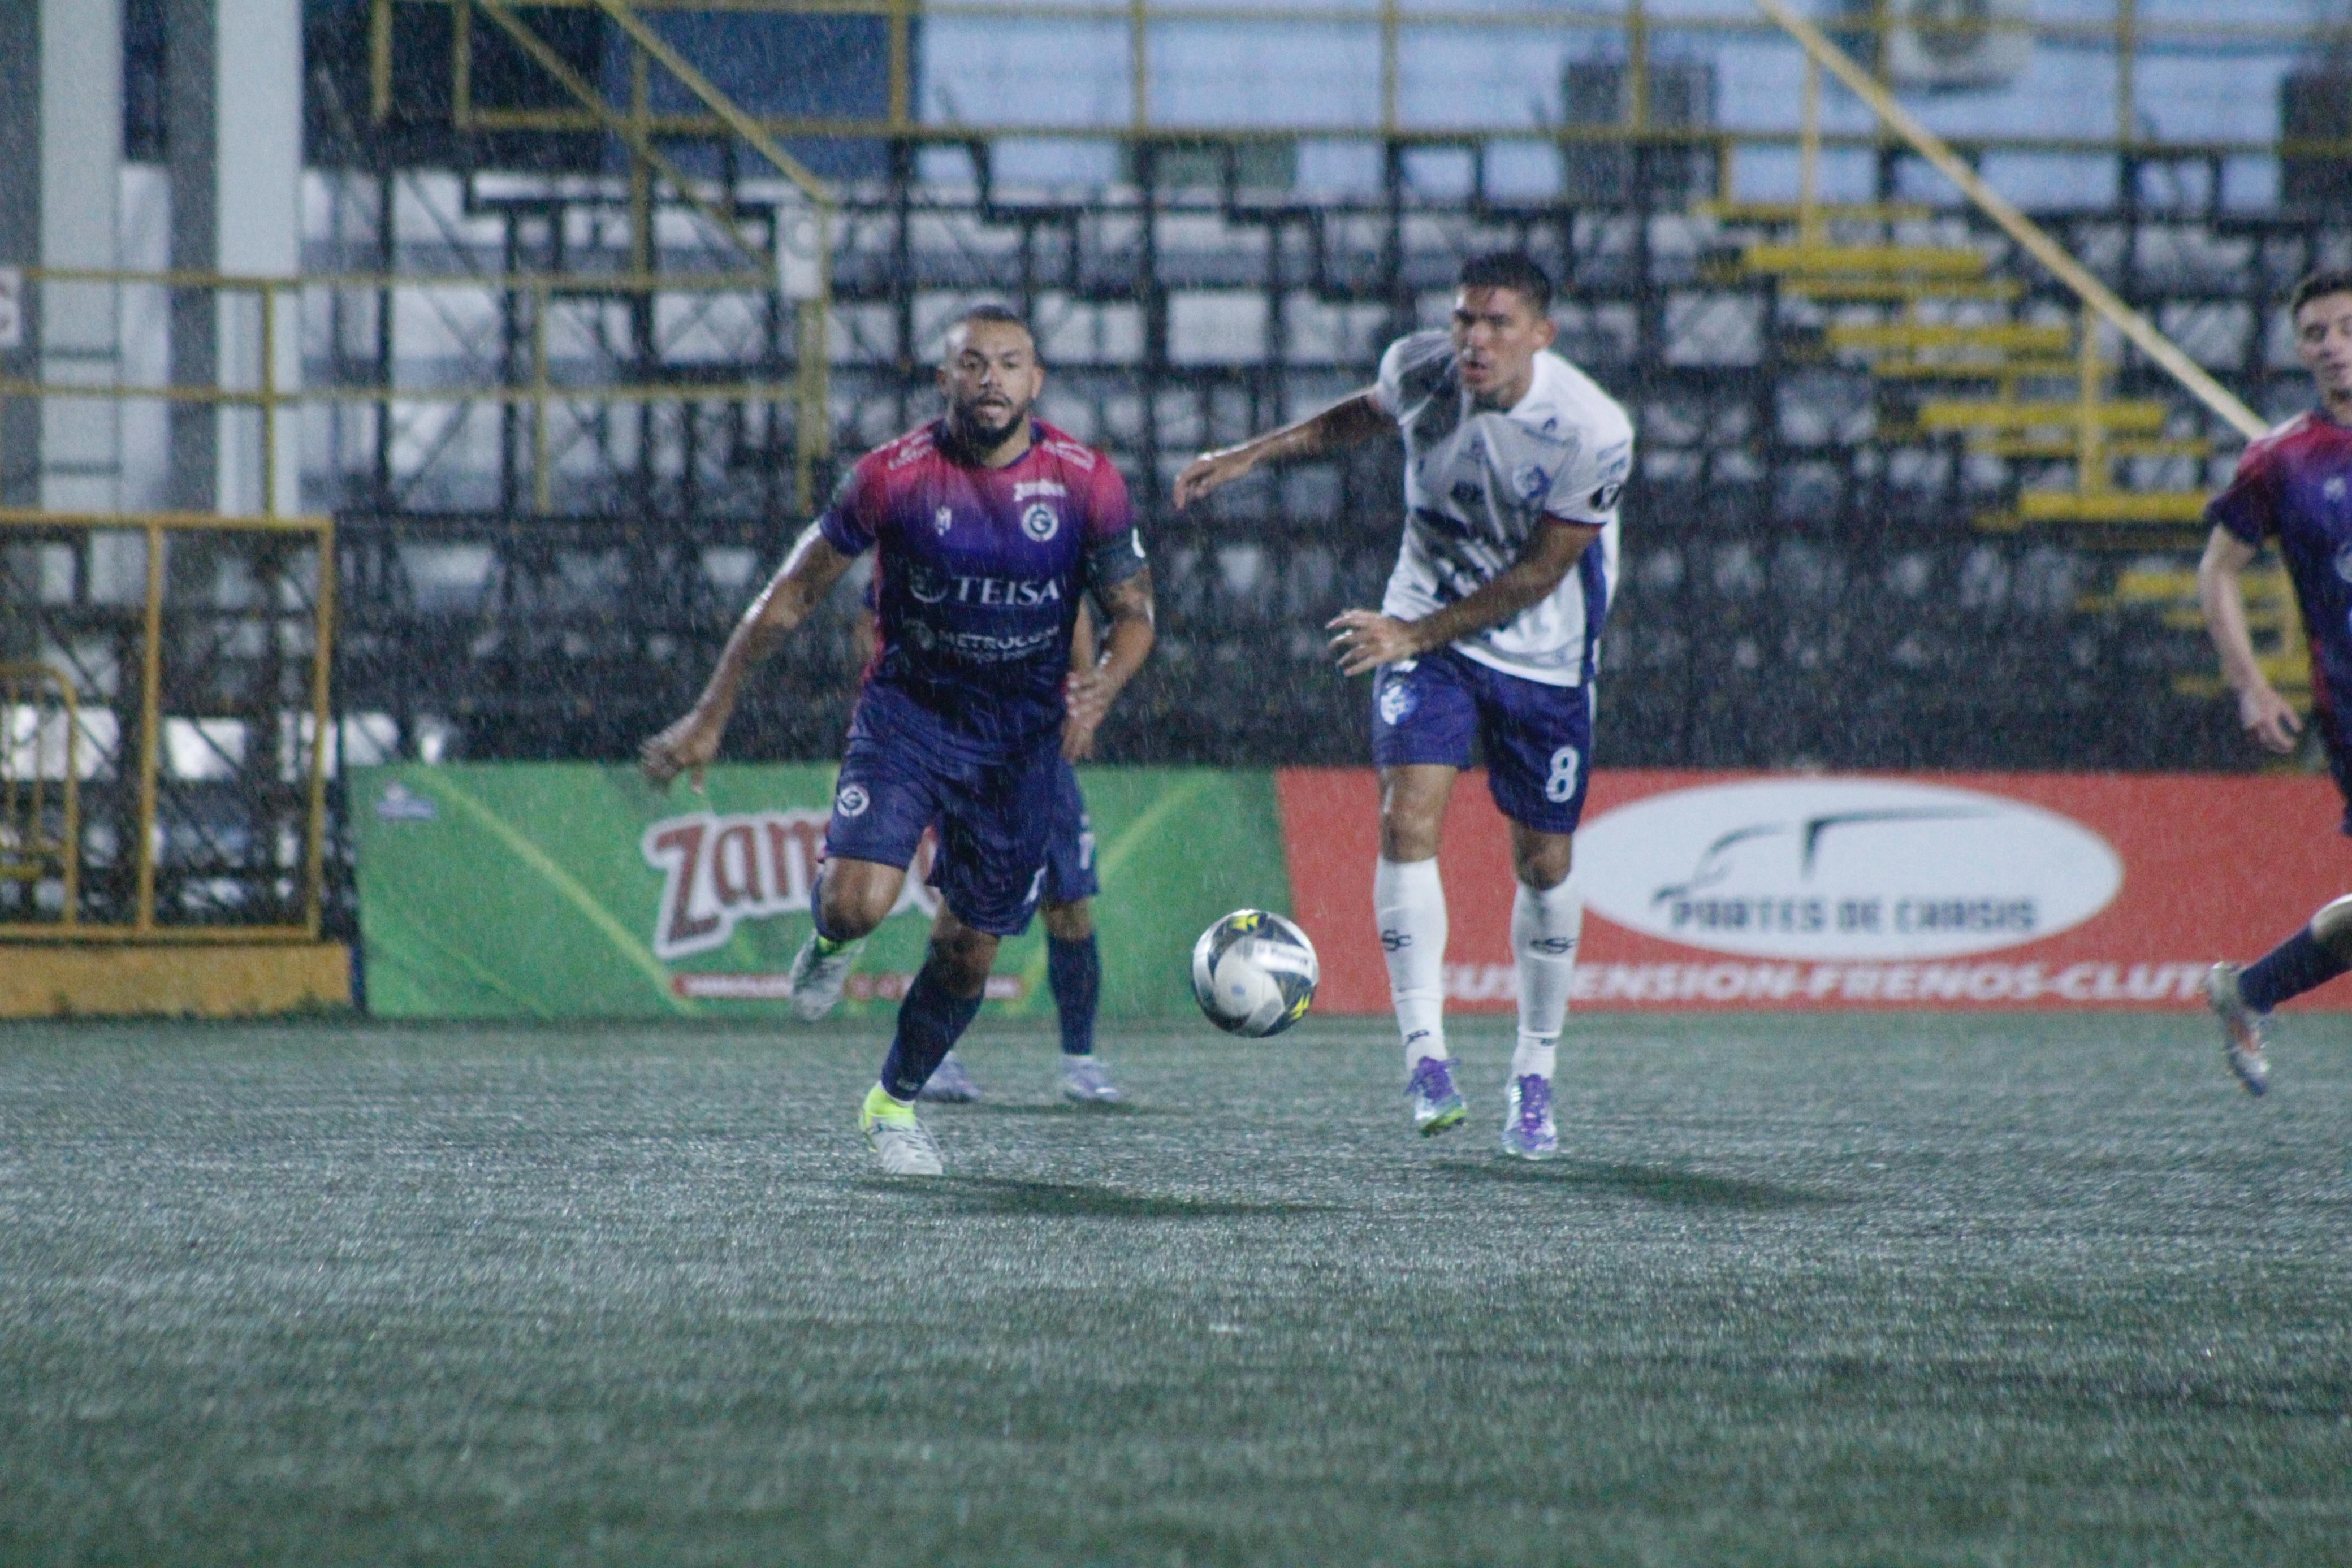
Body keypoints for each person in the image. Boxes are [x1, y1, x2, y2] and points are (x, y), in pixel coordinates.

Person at [640, 305, 1155, 1174]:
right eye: (972, 363)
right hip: (909, 718)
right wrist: (710, 712)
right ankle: (831, 945)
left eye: (1009, 363)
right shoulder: (891, 475)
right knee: (854, 904)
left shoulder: (1087, 480)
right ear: (944, 378)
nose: (990, 378)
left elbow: (1134, 612)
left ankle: (893, 1102)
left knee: (969, 947)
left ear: (1036, 380)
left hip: (1019, 743)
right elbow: (791, 595)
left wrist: (1103, 683)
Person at [1173, 252, 1632, 1160]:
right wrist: (1247, 456)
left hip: (1541, 657)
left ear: (1541, 335)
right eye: (1465, 319)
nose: (1474, 338)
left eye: (1497, 323)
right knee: (1405, 818)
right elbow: (1360, 415)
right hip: (1424, 633)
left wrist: (1414, 634)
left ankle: (1534, 1072)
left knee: (1545, 864)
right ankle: (1426, 1056)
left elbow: (1541, 573)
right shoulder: (1423, 366)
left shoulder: (1593, 431)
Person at [2197, 268, 2352, 1094]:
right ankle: (2251, 989)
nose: (2334, 347)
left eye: (2348, 328)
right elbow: (2217, 570)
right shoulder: (2282, 458)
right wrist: (2249, 683)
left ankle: (2251, 988)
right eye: (2316, 334)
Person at [911, 602, 1119, 1106]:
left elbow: (1074, 609)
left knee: (1069, 903)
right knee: (965, 908)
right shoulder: (941, 560)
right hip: (964, 742)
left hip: (1041, 745)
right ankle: (933, 1055)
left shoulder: (1048, 560)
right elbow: (877, 621)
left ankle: (1081, 1061)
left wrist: (1082, 700)